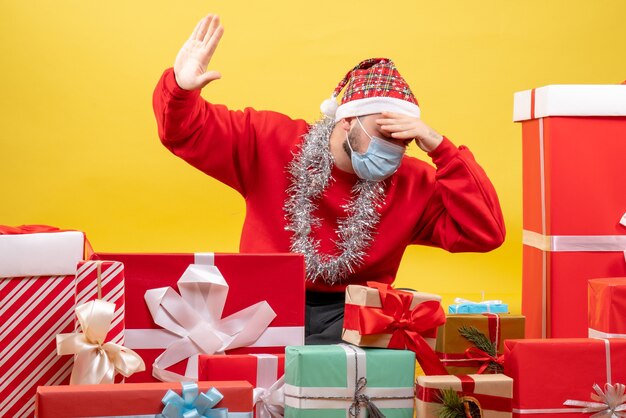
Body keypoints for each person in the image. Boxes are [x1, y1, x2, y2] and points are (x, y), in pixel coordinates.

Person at [153, 14, 505, 344]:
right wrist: (182, 89)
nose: (395, 149)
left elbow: (485, 231)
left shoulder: (413, 181)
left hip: (353, 313)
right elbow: (184, 133)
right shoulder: (271, 139)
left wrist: (440, 147)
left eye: (405, 139)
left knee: (385, 335)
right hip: (264, 302)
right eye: (385, 133)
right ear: (347, 121)